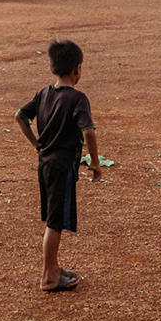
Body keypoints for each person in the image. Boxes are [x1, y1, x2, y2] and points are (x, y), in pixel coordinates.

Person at [16, 39, 102, 292]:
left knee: (53, 218)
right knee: (55, 222)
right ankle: (49, 276)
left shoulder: (43, 94)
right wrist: (95, 163)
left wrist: (37, 144)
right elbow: (89, 132)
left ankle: (53, 268)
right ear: (77, 69)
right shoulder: (77, 98)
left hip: (44, 164)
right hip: (62, 167)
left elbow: (20, 116)